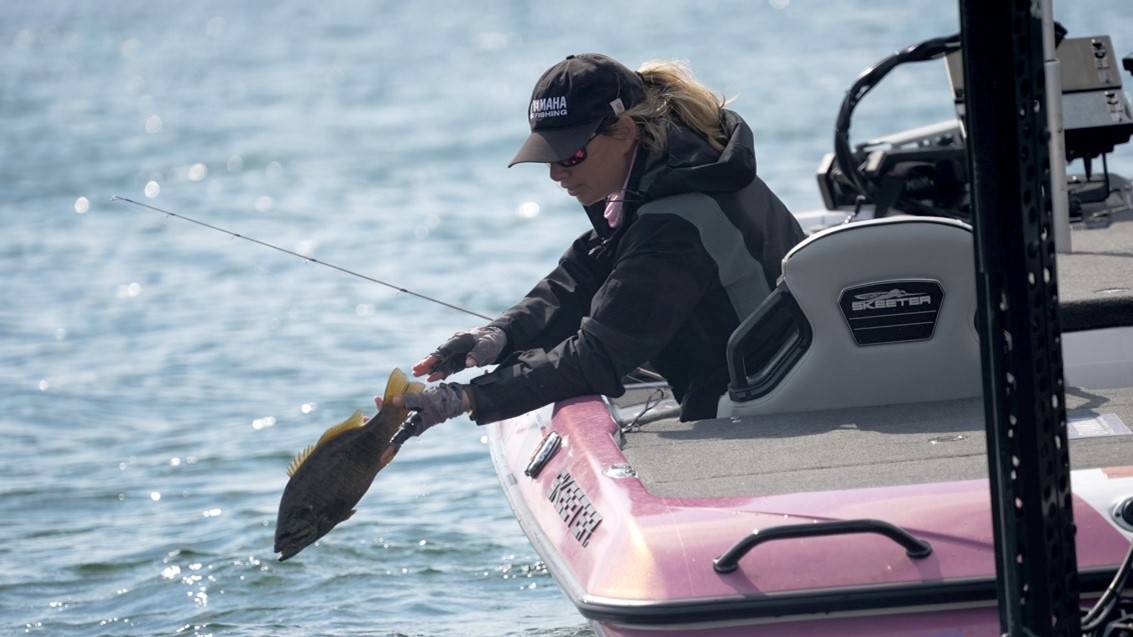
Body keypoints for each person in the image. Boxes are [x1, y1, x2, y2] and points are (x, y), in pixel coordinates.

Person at [381, 53, 804, 435]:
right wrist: (496, 337)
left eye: (570, 156)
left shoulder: (675, 221)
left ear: (622, 130)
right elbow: (583, 275)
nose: (555, 174)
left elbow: (597, 357)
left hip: (759, 403)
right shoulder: (676, 171)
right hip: (755, 374)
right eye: (548, 157)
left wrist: (466, 399)